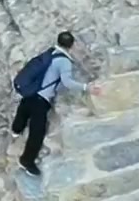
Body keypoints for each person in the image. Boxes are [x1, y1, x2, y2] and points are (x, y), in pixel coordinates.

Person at [11, 30, 87, 178]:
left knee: (23, 110)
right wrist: (86, 87)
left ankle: (16, 130)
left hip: (31, 92)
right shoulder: (64, 61)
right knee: (37, 131)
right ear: (71, 45)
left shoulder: (50, 53)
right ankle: (27, 160)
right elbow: (67, 82)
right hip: (41, 100)